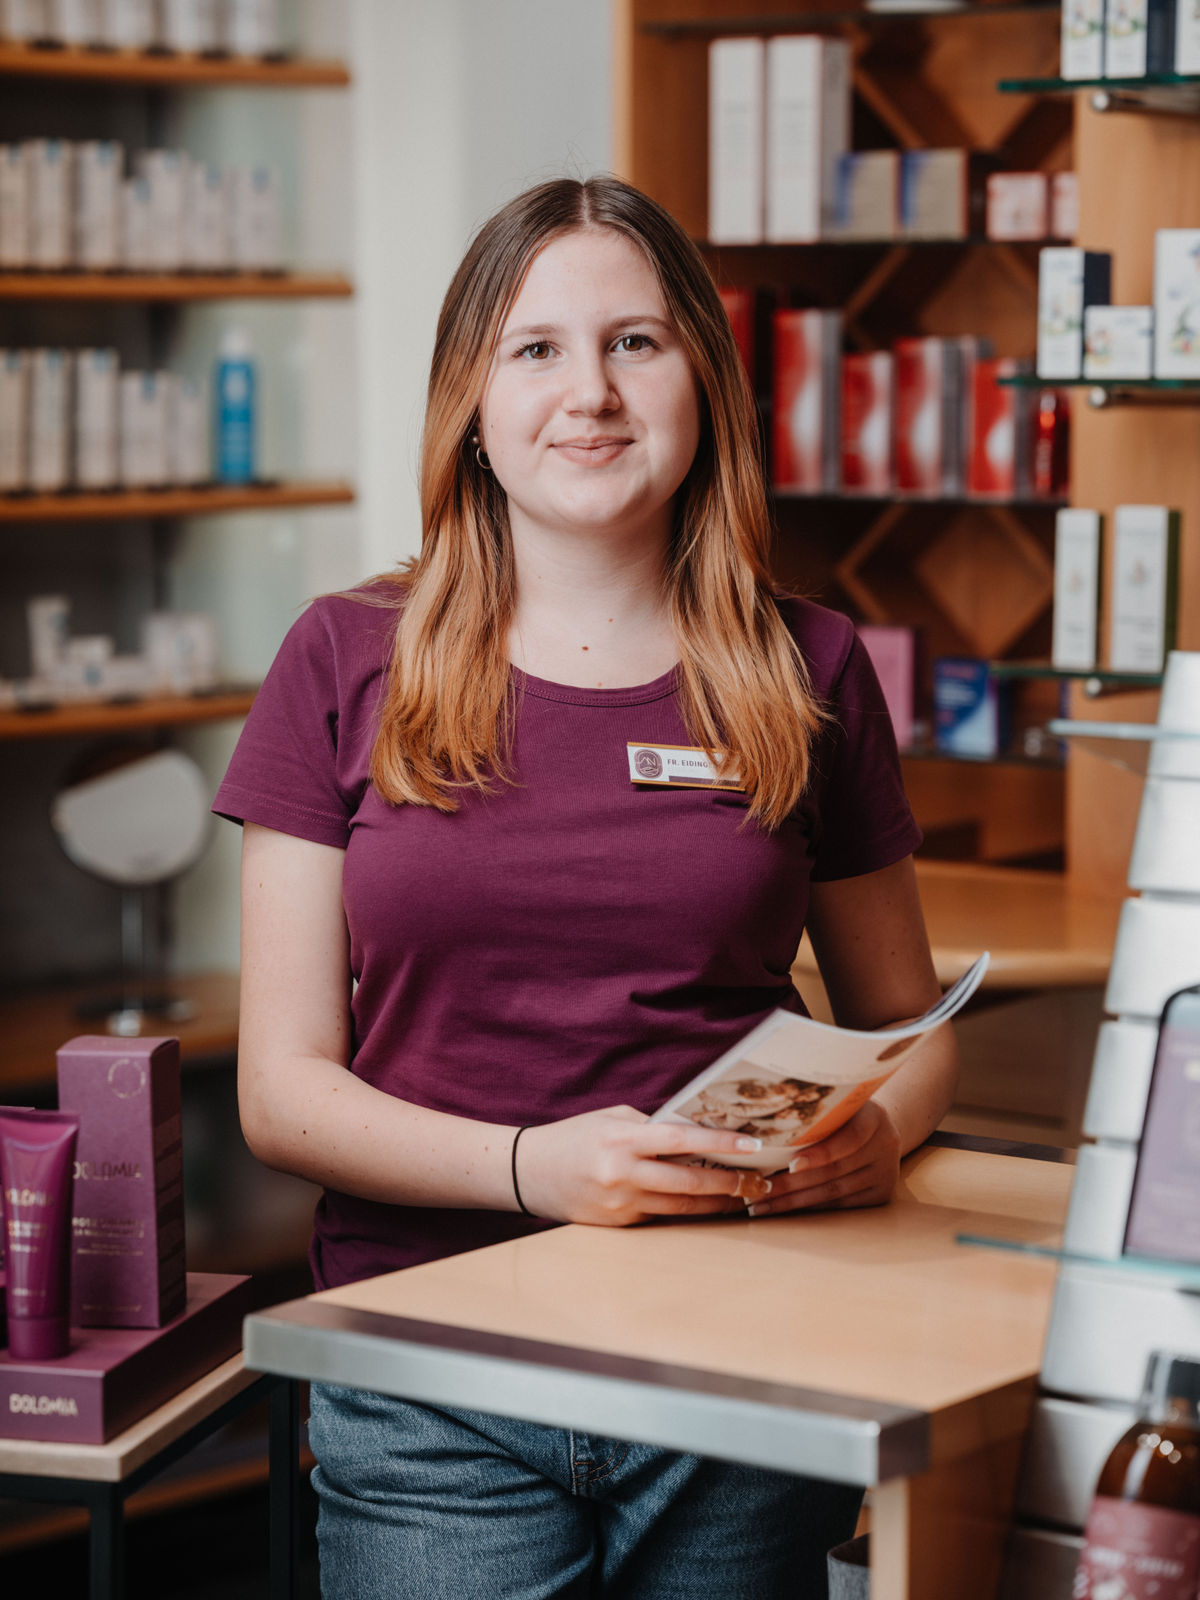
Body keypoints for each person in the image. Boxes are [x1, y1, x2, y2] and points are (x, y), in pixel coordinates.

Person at [214, 174, 959, 1599]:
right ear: (472, 406)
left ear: (702, 384)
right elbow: (282, 1093)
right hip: (434, 1367)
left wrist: (879, 1138)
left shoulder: (811, 669)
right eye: (536, 349)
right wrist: (529, 1168)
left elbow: (909, 1032)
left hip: (746, 1361)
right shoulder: (342, 658)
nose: (592, 394)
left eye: (637, 342)